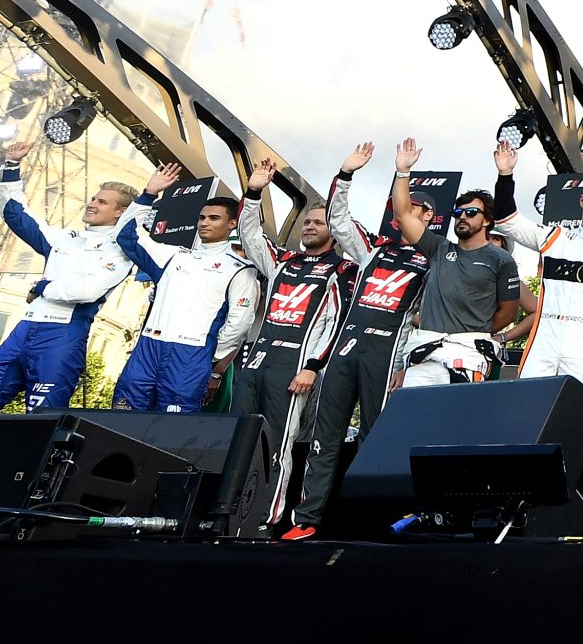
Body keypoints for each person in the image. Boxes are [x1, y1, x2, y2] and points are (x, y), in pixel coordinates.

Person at [286, 139, 456, 539]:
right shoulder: (372, 248)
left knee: (374, 439)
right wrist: (345, 174)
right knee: (323, 440)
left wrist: (407, 360)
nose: (407, 211)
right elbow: (338, 217)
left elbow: (438, 310)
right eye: (404, 205)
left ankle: (370, 520)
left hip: (388, 352)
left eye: (416, 207)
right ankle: (307, 521)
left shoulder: (436, 258)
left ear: (430, 216)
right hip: (346, 349)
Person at [0, 150, 138, 413]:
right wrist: (13, 167)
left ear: (121, 212)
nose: (91, 203)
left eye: (102, 202)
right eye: (93, 198)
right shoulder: (67, 238)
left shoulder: (122, 250)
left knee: (41, 418)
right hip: (26, 328)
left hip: (63, 335)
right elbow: (16, 214)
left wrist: (41, 287)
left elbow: (85, 291)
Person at [232, 154, 360, 530]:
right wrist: (255, 191)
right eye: (306, 221)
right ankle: (229, 509)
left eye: (317, 222)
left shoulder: (342, 269)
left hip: (295, 365)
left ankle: (267, 517)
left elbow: (337, 322)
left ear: (333, 231)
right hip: (258, 359)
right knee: (239, 436)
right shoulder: (282, 260)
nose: (309, 226)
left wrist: (313, 366)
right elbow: (250, 235)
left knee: (278, 445)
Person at [111, 161, 264, 412]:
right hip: (148, 347)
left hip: (191, 355)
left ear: (232, 224)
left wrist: (210, 358)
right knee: (122, 416)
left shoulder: (241, 269)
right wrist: (149, 194)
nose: (204, 222)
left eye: (214, 218)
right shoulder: (174, 256)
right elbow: (127, 235)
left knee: (171, 428)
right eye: (202, 217)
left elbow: (240, 322)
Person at [488, 144, 583, 386]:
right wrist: (505, 175)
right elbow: (507, 221)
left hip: (582, 345)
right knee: (527, 406)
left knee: (571, 415)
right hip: (544, 339)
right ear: (582, 200)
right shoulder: (555, 237)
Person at [387, 144, 522, 386]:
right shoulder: (438, 247)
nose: (462, 216)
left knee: (455, 421)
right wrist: (403, 172)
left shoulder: (501, 260)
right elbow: (403, 216)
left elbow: (508, 313)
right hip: (424, 351)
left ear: (487, 220)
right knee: (412, 421)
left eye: (471, 212)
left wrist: (470, 330)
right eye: (458, 212)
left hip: (467, 356)